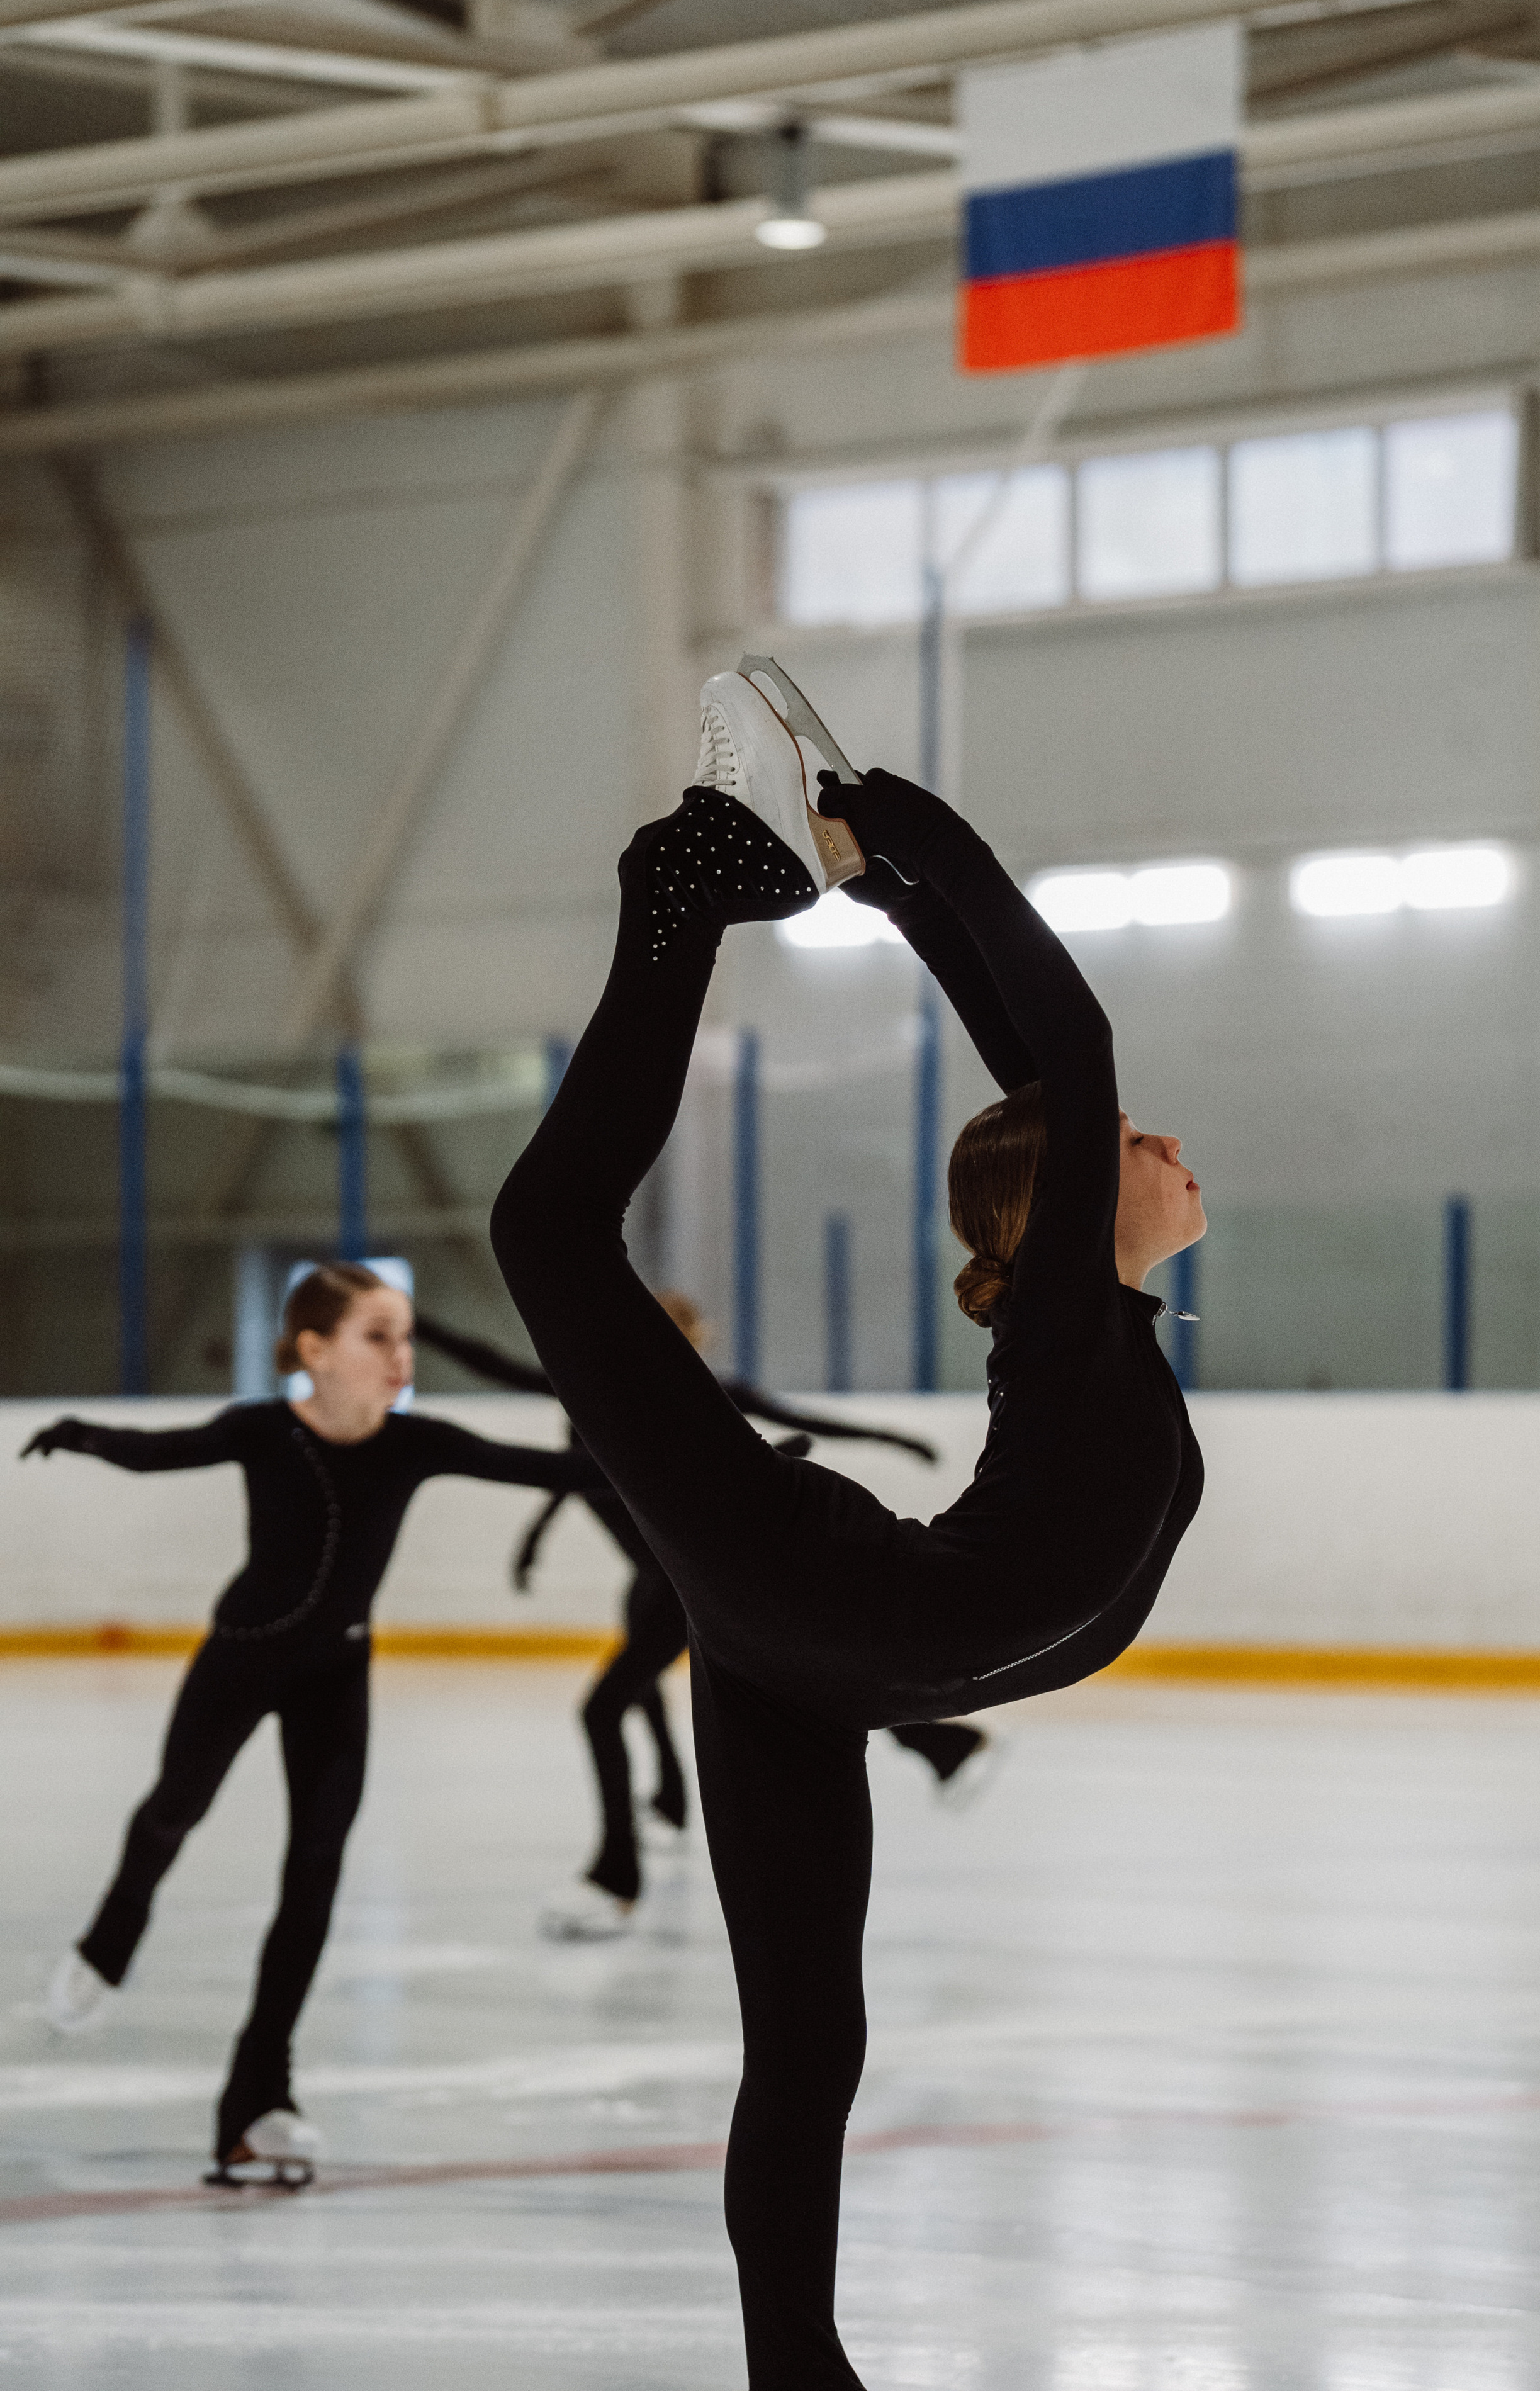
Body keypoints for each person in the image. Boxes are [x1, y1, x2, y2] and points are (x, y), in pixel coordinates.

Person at [486, 670, 1208, 2388]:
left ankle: (794, 2374)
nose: (1171, 1148)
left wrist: (903, 865)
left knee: (806, 2044)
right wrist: (903, 856)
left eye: (1145, 1143)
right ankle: (680, 890)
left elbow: (1064, 1063)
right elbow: (1060, 1054)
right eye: (1135, 1146)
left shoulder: (1084, 1333)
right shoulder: (1065, 1332)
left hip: (821, 1650)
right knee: (548, 1234)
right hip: (831, 1608)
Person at [20, 1261, 599, 2188]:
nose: (400, 1356)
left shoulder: (420, 1444)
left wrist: (728, 1465)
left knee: (315, 1877)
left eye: (405, 1336)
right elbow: (157, 1451)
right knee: (174, 1808)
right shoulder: (260, 1430)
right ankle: (111, 1937)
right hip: (240, 1659)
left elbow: (567, 1468)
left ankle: (256, 2104)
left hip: (339, 1671)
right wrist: (79, 1432)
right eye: (378, 1336)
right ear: (315, 1351)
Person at [412, 1303, 994, 1938]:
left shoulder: (685, 1392)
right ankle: (676, 1799)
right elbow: (571, 1455)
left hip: (680, 1578)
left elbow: (793, 1426)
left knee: (608, 1707)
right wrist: (535, 1536)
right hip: (656, 1574)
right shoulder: (596, 1384)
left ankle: (617, 1876)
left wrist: (892, 1438)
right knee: (725, 1683)